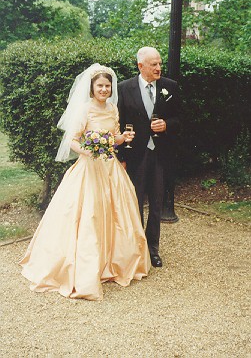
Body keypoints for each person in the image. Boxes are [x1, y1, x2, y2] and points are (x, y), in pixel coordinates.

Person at [20, 63, 150, 301]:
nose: (104, 89)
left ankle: (114, 262)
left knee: (117, 212)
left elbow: (114, 139)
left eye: (107, 86)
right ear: (92, 88)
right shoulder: (84, 110)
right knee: (89, 214)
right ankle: (88, 265)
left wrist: (123, 138)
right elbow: (72, 140)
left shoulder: (112, 109)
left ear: (111, 89)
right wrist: (88, 152)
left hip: (110, 167)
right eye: (100, 85)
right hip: (89, 168)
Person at [118, 47, 180, 268]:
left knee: (155, 203)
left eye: (160, 63)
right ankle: (136, 249)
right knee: (134, 203)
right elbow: (118, 123)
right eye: (153, 64)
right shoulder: (124, 89)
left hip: (160, 155)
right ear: (140, 66)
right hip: (134, 156)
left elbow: (180, 119)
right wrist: (121, 157)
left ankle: (153, 249)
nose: (158, 68)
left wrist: (167, 125)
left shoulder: (169, 87)